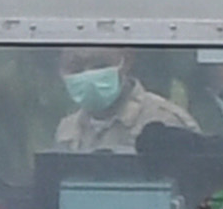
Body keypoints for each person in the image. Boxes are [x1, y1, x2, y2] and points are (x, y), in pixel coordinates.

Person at [47, 46, 198, 154]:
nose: (88, 75)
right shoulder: (66, 129)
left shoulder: (166, 121)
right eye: (76, 68)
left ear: (126, 61)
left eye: (100, 65)